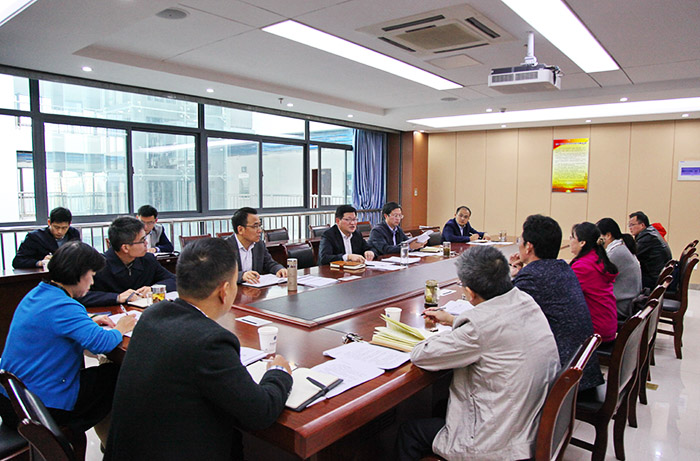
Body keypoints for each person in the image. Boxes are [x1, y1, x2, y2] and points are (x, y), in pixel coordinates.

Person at [104, 237, 293, 461]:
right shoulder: (210, 341)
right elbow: (260, 412)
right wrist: (279, 372)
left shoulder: (152, 315)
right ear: (225, 291)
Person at [397, 246, 559, 461]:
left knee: (409, 432)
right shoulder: (525, 300)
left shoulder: (478, 328)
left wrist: (448, 331)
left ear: (470, 293)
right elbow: (495, 327)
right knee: (441, 406)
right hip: (527, 422)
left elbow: (422, 355)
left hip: (497, 441)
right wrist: (453, 320)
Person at [0, 241, 136, 445]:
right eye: (91, 275)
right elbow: (101, 344)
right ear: (78, 274)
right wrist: (121, 327)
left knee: (105, 375)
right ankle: (116, 444)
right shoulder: (64, 305)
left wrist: (89, 321)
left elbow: (56, 325)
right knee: (118, 376)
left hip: (12, 397)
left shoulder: (39, 293)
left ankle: (109, 442)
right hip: (38, 405)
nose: (92, 282)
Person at [509, 214, 604, 391]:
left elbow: (502, 317)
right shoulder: (562, 268)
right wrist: (519, 273)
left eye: (521, 241)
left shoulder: (532, 277)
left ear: (529, 247)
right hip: (581, 370)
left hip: (565, 383)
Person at [77, 216, 176, 307]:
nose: (146, 243)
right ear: (125, 248)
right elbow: (79, 295)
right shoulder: (98, 265)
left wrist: (153, 289)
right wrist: (117, 297)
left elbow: (174, 280)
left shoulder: (148, 260)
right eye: (142, 240)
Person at [570, 222, 618, 343]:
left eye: (572, 237)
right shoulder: (595, 258)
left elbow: (564, 294)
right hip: (607, 324)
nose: (570, 241)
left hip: (596, 331)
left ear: (582, 243)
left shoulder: (583, 266)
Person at [596, 217, 643, 319]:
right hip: (627, 300)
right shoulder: (620, 247)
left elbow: (598, 276)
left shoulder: (616, 253)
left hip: (621, 306)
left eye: (598, 236)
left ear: (608, 235)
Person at [226, 207, 287, 284]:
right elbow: (220, 274)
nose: (260, 230)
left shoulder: (259, 244)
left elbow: (269, 263)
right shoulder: (225, 247)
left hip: (255, 289)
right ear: (240, 229)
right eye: (255, 226)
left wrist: (279, 269)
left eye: (259, 226)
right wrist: (242, 275)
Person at [12, 206, 81, 268]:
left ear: (69, 224)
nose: (60, 231)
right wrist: (40, 263)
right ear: (49, 222)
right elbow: (18, 261)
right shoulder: (35, 237)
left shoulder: (73, 233)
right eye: (56, 227)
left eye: (64, 228)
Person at [628, 211, 672, 289]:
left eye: (632, 225)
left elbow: (631, 256)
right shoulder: (650, 232)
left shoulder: (648, 238)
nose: (630, 228)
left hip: (653, 278)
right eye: (629, 225)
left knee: (623, 278)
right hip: (658, 275)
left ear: (642, 225)